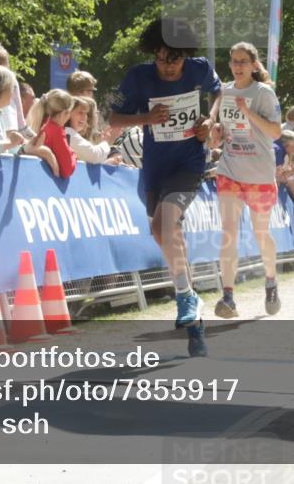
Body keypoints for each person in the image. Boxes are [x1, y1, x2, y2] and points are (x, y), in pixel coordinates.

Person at [109, 18, 218, 356]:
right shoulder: (138, 77)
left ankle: (184, 296)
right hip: (154, 168)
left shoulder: (200, 69)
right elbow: (112, 120)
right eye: (161, 59)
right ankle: (193, 314)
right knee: (161, 231)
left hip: (188, 164)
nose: (167, 67)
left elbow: (219, 93)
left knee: (167, 223)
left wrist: (210, 120)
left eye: (174, 59)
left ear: (185, 55)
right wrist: (145, 119)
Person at [210, 42, 283, 319]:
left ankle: (271, 281)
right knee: (228, 233)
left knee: (261, 234)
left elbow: (276, 132)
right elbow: (224, 130)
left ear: (254, 65)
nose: (238, 66)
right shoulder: (225, 91)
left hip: (259, 174)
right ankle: (228, 297)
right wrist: (218, 133)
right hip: (230, 170)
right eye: (234, 61)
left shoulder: (263, 93)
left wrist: (248, 112)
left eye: (243, 61)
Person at [26, 89, 77, 178]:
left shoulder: (44, 125)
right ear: (64, 113)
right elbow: (67, 169)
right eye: (69, 113)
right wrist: (73, 154)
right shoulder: (57, 131)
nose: (69, 117)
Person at [66, 96, 122, 165]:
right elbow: (94, 155)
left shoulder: (70, 133)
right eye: (80, 112)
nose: (84, 117)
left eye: (86, 113)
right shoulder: (67, 133)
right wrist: (106, 142)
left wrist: (108, 163)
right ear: (68, 114)